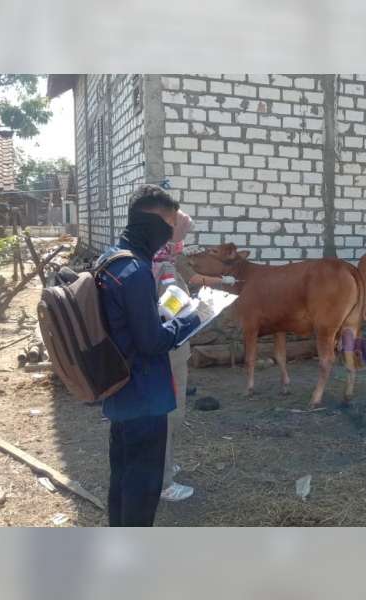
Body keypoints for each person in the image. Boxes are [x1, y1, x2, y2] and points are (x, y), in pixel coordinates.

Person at [97, 185, 201, 526]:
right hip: (145, 397)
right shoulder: (136, 272)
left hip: (119, 388)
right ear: (152, 223)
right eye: (170, 225)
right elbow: (151, 342)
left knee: (123, 479)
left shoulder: (110, 259)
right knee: (143, 489)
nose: (171, 234)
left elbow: (128, 324)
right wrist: (190, 319)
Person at [152, 209, 197, 502]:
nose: (183, 244)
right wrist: (199, 312)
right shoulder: (163, 268)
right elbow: (173, 311)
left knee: (170, 415)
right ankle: (163, 480)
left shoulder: (158, 261)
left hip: (169, 352)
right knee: (169, 415)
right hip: (169, 354)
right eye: (181, 236)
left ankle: (163, 465)